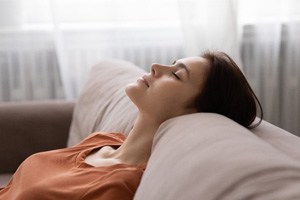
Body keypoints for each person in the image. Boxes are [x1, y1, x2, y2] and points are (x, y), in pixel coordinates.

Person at [0, 51, 263, 199]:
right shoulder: (104, 139)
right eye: (171, 63)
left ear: (196, 111)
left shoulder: (120, 186)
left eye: (176, 74)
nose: (156, 66)